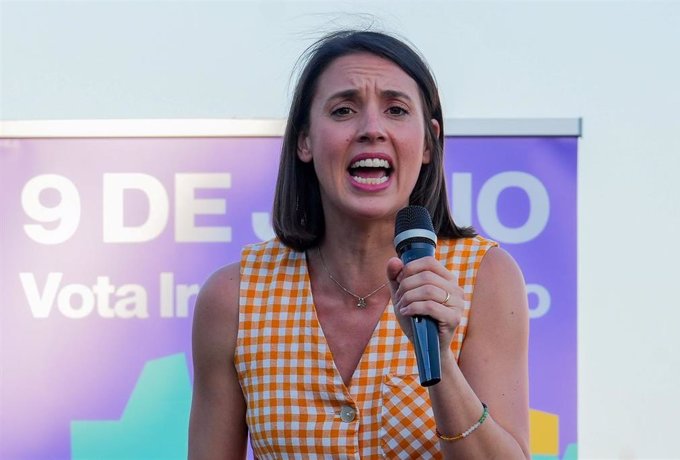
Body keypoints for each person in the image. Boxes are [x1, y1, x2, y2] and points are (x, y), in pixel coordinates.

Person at [188, 29, 529, 459]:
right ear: (304, 140)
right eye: (344, 109)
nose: (372, 129)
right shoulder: (233, 297)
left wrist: (440, 361)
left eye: (397, 109)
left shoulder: (485, 277)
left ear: (428, 142)